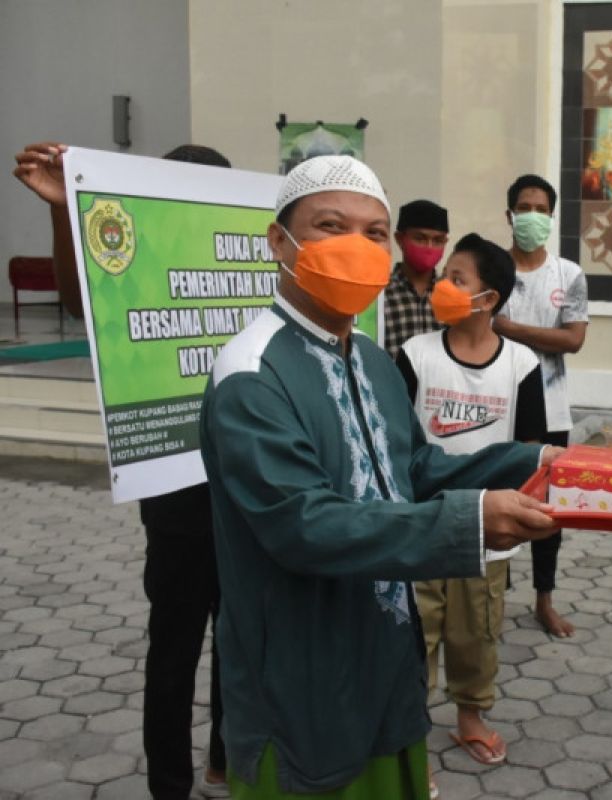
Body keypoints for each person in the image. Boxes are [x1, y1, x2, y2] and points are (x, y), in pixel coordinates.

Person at [199, 155, 561, 799]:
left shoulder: (368, 356)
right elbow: (303, 525)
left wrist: (536, 464)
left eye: (373, 233)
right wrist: (471, 521)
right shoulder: (251, 373)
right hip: (301, 674)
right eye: (330, 226)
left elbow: (413, 468)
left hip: (382, 658)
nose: (355, 248)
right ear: (279, 242)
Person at [13, 141, 231, 800]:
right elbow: (85, 301)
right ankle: (170, 784)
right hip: (175, 502)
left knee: (241, 646)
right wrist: (64, 213)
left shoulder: (248, 266)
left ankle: (228, 760)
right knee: (173, 653)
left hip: (250, 496)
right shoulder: (140, 266)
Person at [396, 233, 545, 775]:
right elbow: (396, 441)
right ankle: (405, 739)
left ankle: (470, 719)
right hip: (420, 525)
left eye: (457, 279)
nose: (442, 286)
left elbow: (530, 450)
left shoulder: (522, 365)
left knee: (475, 632)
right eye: (444, 277)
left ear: (490, 299)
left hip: (488, 533)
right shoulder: (415, 354)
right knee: (414, 633)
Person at [493, 174, 588, 638]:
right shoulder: (493, 270)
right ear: (509, 214)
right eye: (523, 206)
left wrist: (510, 329)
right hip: (496, 408)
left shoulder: (568, 274)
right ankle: (492, 598)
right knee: (497, 502)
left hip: (551, 411)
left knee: (548, 510)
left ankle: (544, 601)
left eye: (540, 208)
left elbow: (573, 339)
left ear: (551, 217)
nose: (531, 215)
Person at [383, 199, 450, 359]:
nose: (429, 247)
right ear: (400, 239)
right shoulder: (380, 292)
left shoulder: (451, 295)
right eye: (420, 238)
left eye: (438, 240)